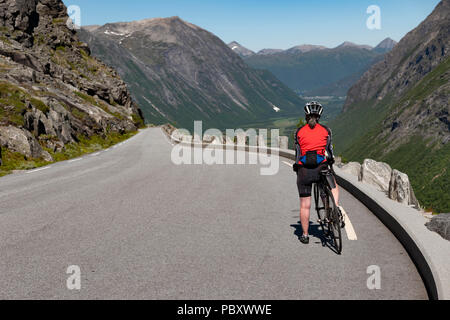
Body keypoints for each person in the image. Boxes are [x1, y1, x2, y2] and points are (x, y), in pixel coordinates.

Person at [293, 102, 341, 244]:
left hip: (304, 171)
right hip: (321, 168)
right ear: (319, 117)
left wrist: (297, 168)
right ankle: (336, 208)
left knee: (304, 205)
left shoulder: (299, 132)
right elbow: (330, 152)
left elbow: (297, 154)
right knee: (333, 185)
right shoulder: (326, 130)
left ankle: (305, 235)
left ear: (306, 116)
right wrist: (330, 162)